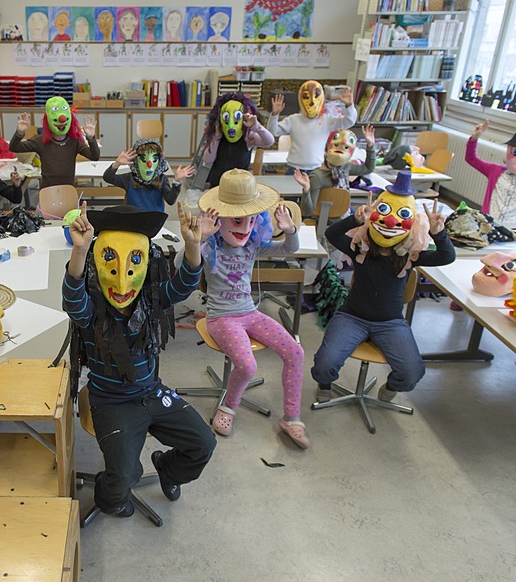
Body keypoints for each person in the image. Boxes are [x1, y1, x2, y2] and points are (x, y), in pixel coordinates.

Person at [62, 202, 218, 518]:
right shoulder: (91, 311)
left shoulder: (151, 298)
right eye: (111, 262)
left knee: (203, 443)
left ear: (146, 263)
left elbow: (185, 283)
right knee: (124, 476)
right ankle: (111, 498)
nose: (123, 282)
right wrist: (79, 251)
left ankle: (168, 468)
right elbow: (72, 299)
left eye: (135, 261)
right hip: (110, 402)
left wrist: (192, 245)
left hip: (151, 393)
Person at [311, 171, 455, 404]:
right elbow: (331, 234)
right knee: (324, 363)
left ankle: (390, 389)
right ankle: (325, 384)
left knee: (411, 373)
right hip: (352, 317)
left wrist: (439, 234)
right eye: (385, 213)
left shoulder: (411, 254)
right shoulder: (361, 248)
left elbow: (446, 257)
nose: (390, 223)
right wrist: (355, 220)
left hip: (390, 323)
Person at [198, 169, 307, 445]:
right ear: (219, 218)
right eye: (237, 220)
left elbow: (288, 250)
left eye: (250, 220)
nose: (244, 227)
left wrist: (291, 229)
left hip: (250, 313)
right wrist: (196, 238)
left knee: (295, 351)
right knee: (247, 366)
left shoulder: (252, 246)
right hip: (222, 318)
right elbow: (180, 266)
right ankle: (228, 406)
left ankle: (291, 417)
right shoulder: (211, 246)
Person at [268, 81, 358, 176]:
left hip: (317, 169)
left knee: (315, 191)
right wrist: (275, 114)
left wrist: (349, 106)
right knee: (291, 190)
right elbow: (273, 131)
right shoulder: (293, 119)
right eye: (306, 97)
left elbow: (348, 122)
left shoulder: (326, 120)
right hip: (294, 169)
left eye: (316, 96)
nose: (311, 102)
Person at [10, 96, 100, 188]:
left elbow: (94, 156)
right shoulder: (40, 140)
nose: (61, 120)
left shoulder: (74, 141)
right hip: (47, 191)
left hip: (67, 190)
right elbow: (14, 147)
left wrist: (91, 138)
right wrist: (19, 133)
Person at [293, 125, 377, 217]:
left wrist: (370, 145)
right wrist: (306, 189)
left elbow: (368, 168)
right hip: (325, 218)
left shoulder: (344, 167)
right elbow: (307, 211)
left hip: (344, 212)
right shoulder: (317, 176)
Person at [201, 92, 274, 187]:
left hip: (240, 187)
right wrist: (216, 139)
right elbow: (208, 159)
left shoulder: (248, 137)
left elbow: (269, 141)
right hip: (218, 185)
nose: (231, 125)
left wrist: (256, 127)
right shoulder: (218, 136)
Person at [103, 139, 194, 212]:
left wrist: (177, 182)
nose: (149, 165)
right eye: (143, 160)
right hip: (132, 219)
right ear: (136, 161)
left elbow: (170, 200)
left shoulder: (162, 179)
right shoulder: (130, 178)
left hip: (153, 222)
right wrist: (117, 164)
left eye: (154, 160)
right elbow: (108, 178)